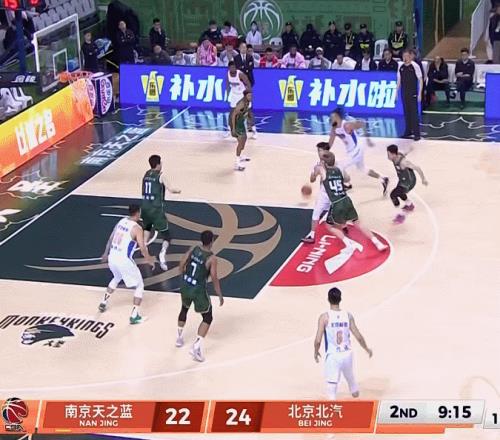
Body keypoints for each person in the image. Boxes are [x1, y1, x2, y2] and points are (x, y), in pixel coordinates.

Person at [312, 151, 388, 263]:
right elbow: (346, 179)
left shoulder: (322, 171)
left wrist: (317, 168)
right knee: (358, 223)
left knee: (329, 226)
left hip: (337, 203)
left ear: (324, 163)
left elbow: (314, 175)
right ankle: (378, 243)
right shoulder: (339, 170)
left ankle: (349, 243)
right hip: (346, 200)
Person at [99, 204, 155, 325]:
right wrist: (149, 259)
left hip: (112, 257)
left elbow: (111, 238)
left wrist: (105, 253)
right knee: (140, 285)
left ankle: (103, 302)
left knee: (117, 277)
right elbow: (142, 248)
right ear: (138, 213)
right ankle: (134, 316)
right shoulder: (137, 228)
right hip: (124, 260)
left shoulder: (121, 221)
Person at [314, 287, 373, 400]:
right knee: (351, 379)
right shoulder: (348, 315)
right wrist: (367, 349)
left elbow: (318, 340)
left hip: (333, 356)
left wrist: (316, 352)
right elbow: (358, 336)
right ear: (340, 299)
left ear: (328, 299)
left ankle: (335, 409)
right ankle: (355, 393)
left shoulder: (324, 317)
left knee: (331, 390)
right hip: (347, 354)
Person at [177, 230, 223, 362]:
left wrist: (182, 276)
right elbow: (214, 277)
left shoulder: (194, 249)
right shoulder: (212, 258)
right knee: (208, 317)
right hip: (198, 290)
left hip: (186, 285)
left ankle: (179, 338)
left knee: (184, 309)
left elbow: (182, 262)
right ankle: (196, 347)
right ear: (212, 241)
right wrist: (219, 294)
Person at [329, 108, 389, 194]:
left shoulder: (347, 125)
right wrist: (325, 151)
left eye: (332, 117)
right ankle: (383, 179)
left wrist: (368, 139)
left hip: (357, 149)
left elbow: (363, 123)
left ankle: (346, 184)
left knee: (339, 166)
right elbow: (330, 143)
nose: (331, 119)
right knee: (362, 169)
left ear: (338, 117)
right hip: (351, 151)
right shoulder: (334, 129)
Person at [141, 155, 181, 271]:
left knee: (147, 228)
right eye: (161, 163)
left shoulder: (146, 174)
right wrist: (178, 190)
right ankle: (162, 255)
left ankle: (145, 250)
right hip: (156, 209)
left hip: (145, 207)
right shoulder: (160, 175)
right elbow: (171, 189)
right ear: (158, 164)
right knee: (167, 236)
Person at [386, 144, 428, 224]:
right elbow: (404, 153)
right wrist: (410, 149)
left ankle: (401, 215)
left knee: (393, 195)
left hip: (409, 182)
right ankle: (409, 205)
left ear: (394, 154)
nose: (387, 156)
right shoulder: (395, 157)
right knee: (399, 192)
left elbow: (417, 168)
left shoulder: (403, 162)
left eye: (389, 154)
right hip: (402, 180)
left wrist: (423, 179)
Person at [302, 142, 334, 244]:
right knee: (316, 213)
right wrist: (315, 174)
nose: (318, 153)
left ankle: (344, 226)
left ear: (326, 151)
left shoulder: (333, 162)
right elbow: (312, 180)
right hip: (323, 193)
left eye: (320, 150)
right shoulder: (317, 165)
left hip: (334, 193)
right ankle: (311, 235)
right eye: (318, 151)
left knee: (338, 215)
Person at [397, 49, 423, 140]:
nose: (405, 58)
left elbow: (420, 80)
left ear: (410, 56)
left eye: (407, 56)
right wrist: (396, 93)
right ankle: (408, 131)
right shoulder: (401, 67)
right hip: (404, 92)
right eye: (404, 56)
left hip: (413, 92)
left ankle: (417, 133)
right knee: (406, 112)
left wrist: (420, 93)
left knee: (414, 113)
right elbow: (399, 80)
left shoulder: (415, 66)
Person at [225, 61, 254, 142]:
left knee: (249, 113)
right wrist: (227, 95)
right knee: (232, 113)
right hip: (234, 95)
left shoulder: (240, 74)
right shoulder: (228, 75)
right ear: (229, 68)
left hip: (242, 94)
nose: (233, 69)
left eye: (234, 67)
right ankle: (230, 129)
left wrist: (249, 95)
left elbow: (248, 83)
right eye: (231, 67)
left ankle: (254, 130)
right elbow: (227, 86)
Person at [230, 90, 253, 171]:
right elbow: (233, 115)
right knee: (240, 142)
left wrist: (249, 120)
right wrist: (233, 128)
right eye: (249, 95)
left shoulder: (248, 102)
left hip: (241, 123)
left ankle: (240, 156)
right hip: (236, 124)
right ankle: (237, 163)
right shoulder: (241, 104)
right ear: (245, 96)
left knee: (244, 138)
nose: (251, 97)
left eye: (251, 95)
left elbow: (246, 112)